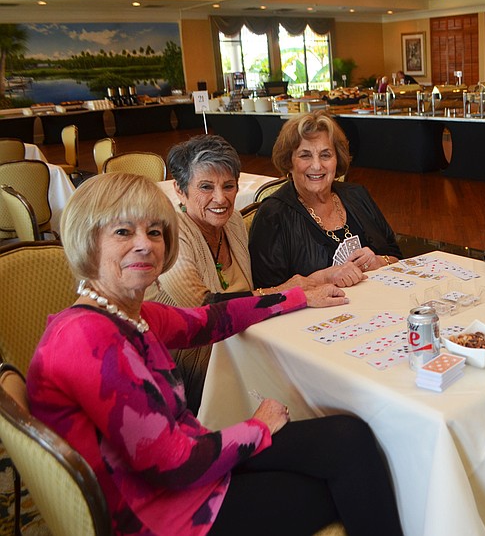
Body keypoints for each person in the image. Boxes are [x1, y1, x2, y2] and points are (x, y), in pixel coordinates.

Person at [27, 172, 404, 536]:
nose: (145, 244)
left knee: (347, 438)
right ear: (88, 240)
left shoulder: (120, 313)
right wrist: (258, 427)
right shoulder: (92, 340)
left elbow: (212, 320)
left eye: (154, 231)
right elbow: (173, 464)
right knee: (347, 483)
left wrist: (300, 295)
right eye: (123, 231)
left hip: (183, 472)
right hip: (166, 513)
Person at [148, 134, 319, 413]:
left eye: (229, 186)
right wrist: (286, 292)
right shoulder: (171, 235)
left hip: (237, 343)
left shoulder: (234, 223)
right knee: (292, 385)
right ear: (180, 190)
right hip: (183, 360)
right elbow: (203, 308)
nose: (221, 198)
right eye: (206, 187)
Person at [250, 111, 402, 289]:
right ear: (289, 162)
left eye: (325, 155)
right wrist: (324, 278)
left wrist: (380, 261)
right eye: (305, 155)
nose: (316, 165)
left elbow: (397, 256)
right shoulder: (272, 215)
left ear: (337, 159)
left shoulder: (357, 195)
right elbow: (267, 296)